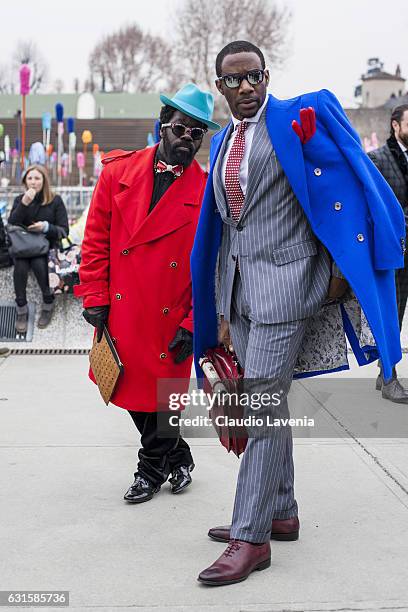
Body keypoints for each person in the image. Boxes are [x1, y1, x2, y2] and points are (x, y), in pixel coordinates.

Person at [191, 40, 405, 585]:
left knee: (258, 411)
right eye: (233, 81)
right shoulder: (220, 143)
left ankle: (250, 537)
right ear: (219, 87)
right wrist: (215, 304)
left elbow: (350, 174)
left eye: (254, 77)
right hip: (240, 293)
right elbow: (223, 230)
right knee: (269, 405)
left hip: (287, 290)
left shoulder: (294, 118)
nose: (245, 88)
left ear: (267, 76)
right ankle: (281, 511)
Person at [75, 84, 220, 504]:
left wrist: (195, 323)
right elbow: (96, 239)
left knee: (163, 402)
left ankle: (149, 470)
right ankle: (179, 457)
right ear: (162, 126)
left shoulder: (206, 192)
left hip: (170, 315)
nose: (187, 139)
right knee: (131, 392)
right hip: (122, 310)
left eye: (197, 133)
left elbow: (210, 267)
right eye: (180, 129)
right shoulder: (117, 173)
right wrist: (94, 295)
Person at [368, 104, 408, 401]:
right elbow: (373, 207)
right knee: (390, 315)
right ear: (396, 125)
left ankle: (386, 371)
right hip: (391, 252)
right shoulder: (377, 160)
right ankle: (389, 376)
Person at [8, 164, 68, 332]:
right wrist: (24, 204)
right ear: (25, 181)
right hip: (23, 246)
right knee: (20, 267)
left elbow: (64, 230)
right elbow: (12, 223)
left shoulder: (55, 200)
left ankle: (48, 302)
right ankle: (21, 309)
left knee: (38, 263)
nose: (33, 182)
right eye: (30, 178)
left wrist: (46, 227)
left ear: (44, 181)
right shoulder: (20, 199)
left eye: (37, 178)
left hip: (47, 247)